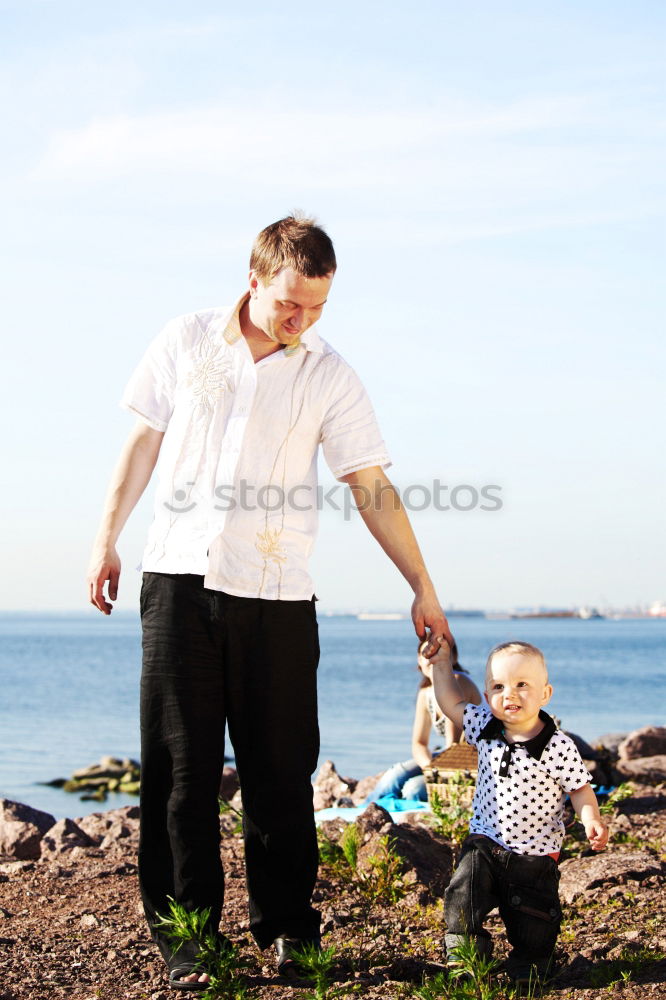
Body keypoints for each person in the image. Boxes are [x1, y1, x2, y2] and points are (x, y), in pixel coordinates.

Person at [86, 214, 453, 990]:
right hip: (179, 583)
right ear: (255, 277)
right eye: (290, 303)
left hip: (279, 594)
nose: (301, 320)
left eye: (317, 308)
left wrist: (421, 585)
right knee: (180, 774)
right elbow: (142, 441)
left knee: (281, 773)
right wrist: (106, 537)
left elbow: (372, 485)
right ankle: (189, 935)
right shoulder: (185, 339)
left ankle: (289, 932)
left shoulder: (329, 373)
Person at [429, 639, 608, 986]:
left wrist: (591, 819)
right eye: (498, 686)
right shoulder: (483, 726)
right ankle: (466, 959)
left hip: (536, 854)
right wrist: (441, 664)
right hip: (485, 841)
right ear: (486, 693)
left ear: (546, 693)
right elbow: (451, 702)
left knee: (533, 923)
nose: (509, 694)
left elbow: (579, 788)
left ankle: (532, 963)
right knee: (462, 895)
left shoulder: (558, 745)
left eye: (522, 685)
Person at [367, 641, 482, 803]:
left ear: (453, 657)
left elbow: (453, 746)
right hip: (449, 759)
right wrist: (428, 767)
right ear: (419, 660)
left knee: (413, 789)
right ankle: (364, 810)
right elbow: (419, 743)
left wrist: (433, 772)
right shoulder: (425, 693)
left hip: (475, 762)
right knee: (396, 773)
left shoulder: (458, 683)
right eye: (425, 654)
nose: (430, 659)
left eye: (437, 653)